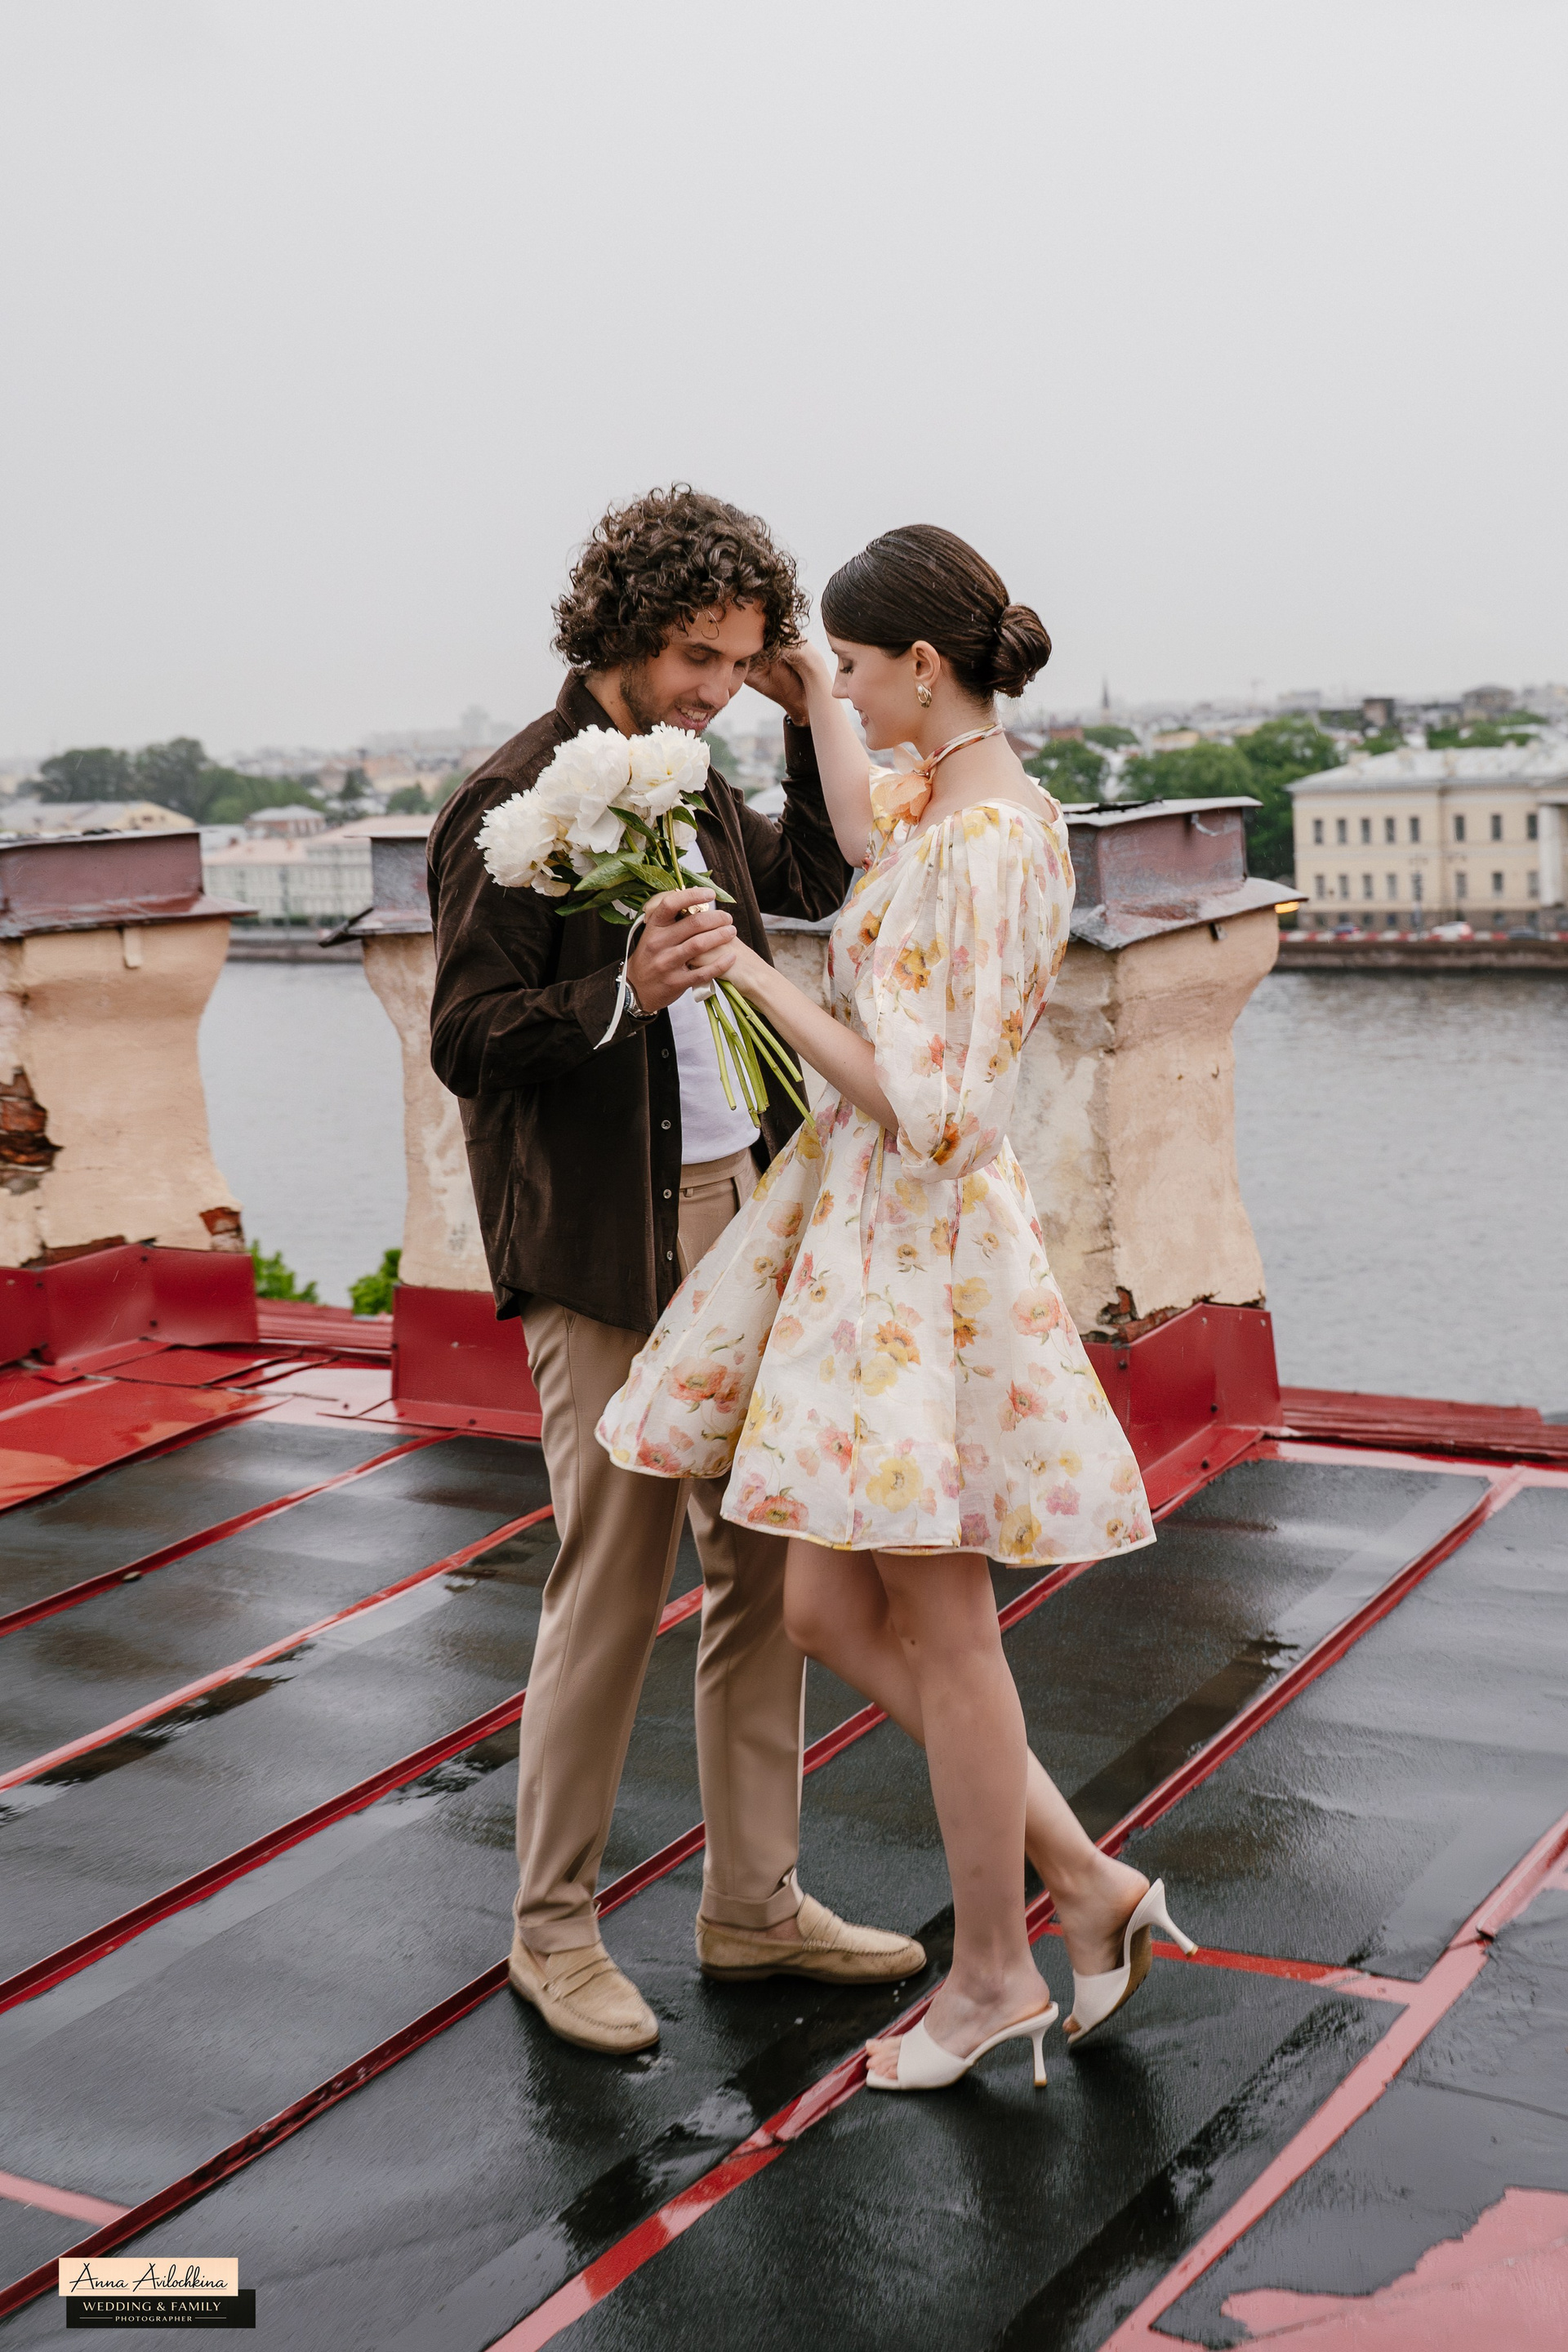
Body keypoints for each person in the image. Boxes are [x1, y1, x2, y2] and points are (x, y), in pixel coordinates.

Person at [599, 524, 1195, 2093]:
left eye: (861, 672)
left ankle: (995, 1973)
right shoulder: (955, 805)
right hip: (874, 1247)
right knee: (822, 1610)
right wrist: (807, 696)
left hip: (922, 1253)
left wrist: (754, 975)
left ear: (925, 667)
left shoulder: (993, 841)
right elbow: (868, 836)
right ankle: (1087, 1884)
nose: (850, 698)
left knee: (946, 1628)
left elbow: (935, 1110)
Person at [427, 488, 926, 2059]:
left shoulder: (694, 770)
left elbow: (814, 873)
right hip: (602, 1243)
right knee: (611, 1583)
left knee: (761, 1572)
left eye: (736, 657)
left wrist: (800, 706)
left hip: (742, 1214)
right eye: (699, 657)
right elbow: (465, 1039)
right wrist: (619, 992)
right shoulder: (514, 798)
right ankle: (552, 1931)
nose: (716, 683)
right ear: (626, 631)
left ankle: (753, 1906)